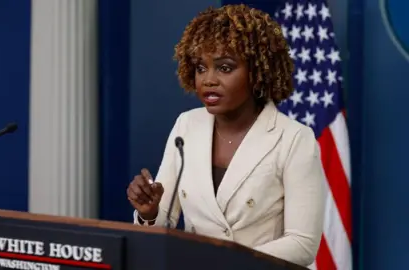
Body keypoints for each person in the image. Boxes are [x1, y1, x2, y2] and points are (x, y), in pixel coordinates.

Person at [126, 4, 325, 267]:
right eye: (200, 68)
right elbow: (163, 223)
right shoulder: (187, 125)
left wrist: (225, 263)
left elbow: (302, 244)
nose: (208, 80)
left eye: (225, 68)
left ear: (257, 72)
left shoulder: (294, 138)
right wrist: (149, 213)